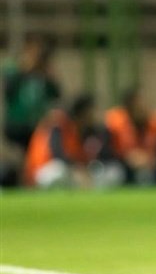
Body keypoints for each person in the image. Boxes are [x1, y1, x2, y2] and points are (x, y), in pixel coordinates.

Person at [23, 93, 122, 189]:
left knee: (113, 171)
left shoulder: (84, 131)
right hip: (44, 170)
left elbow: (98, 155)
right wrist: (77, 168)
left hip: (73, 172)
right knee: (60, 171)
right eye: (91, 112)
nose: (93, 116)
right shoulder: (60, 125)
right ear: (83, 113)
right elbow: (57, 154)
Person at [2, 34, 61, 187]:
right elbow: (8, 90)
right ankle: (23, 181)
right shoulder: (15, 70)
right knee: (24, 155)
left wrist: (50, 76)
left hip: (37, 124)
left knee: (36, 154)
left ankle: (29, 181)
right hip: (18, 123)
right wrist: (24, 69)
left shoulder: (43, 75)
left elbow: (55, 94)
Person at [105, 86, 156, 185]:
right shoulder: (116, 122)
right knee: (114, 172)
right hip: (123, 165)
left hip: (151, 165)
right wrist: (129, 158)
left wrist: (149, 159)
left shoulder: (155, 122)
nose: (143, 106)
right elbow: (107, 151)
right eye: (139, 102)